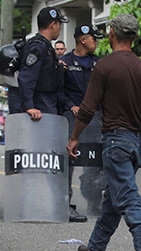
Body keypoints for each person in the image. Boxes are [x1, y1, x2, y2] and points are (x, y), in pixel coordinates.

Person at [71, 14, 141, 251]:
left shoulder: (104, 66)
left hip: (117, 141)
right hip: (139, 143)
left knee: (127, 198)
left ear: (112, 34)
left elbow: (87, 108)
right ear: (135, 38)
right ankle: (95, 250)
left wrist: (74, 137)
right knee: (115, 197)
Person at [19, 7, 85, 223]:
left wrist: (58, 68)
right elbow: (27, 77)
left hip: (50, 107)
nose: (59, 30)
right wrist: (29, 106)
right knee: (45, 159)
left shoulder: (46, 48)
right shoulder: (38, 46)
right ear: (53, 24)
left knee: (52, 159)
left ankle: (52, 203)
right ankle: (46, 204)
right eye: (59, 25)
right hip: (42, 109)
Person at [61, 23, 103, 222]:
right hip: (72, 120)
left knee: (93, 164)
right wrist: (71, 105)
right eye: (94, 38)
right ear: (83, 39)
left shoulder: (99, 64)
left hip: (95, 121)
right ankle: (66, 202)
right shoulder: (65, 62)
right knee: (69, 163)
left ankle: (94, 202)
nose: (97, 42)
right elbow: (58, 90)